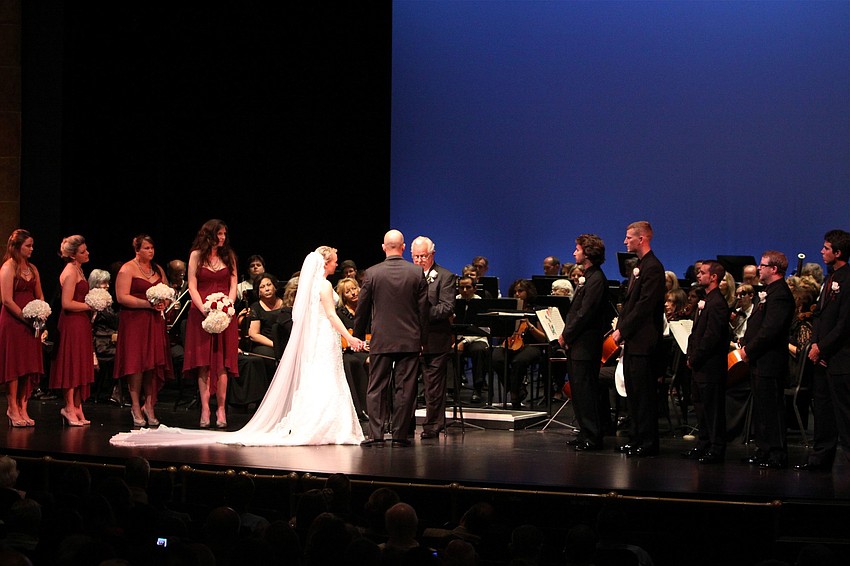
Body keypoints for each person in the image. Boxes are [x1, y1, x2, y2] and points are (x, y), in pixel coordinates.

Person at [110, 246, 366, 447]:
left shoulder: (312, 285)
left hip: (320, 336)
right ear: (326, 262)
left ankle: (319, 423)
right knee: (325, 378)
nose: (336, 263)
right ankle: (327, 425)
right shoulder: (323, 284)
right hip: (323, 335)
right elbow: (331, 316)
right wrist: (350, 337)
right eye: (334, 260)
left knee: (321, 379)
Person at [354, 229, 428, 447]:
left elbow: (363, 309)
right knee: (405, 389)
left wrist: (358, 336)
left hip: (382, 340)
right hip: (409, 339)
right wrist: (423, 340)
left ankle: (376, 435)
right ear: (404, 247)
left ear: (384, 247)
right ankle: (399, 435)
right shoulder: (416, 273)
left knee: (376, 387)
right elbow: (423, 310)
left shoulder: (373, 273)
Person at [610, 221, 666, 457]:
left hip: (644, 341)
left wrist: (623, 330)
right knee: (634, 393)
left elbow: (645, 305)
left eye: (629, 237)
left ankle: (647, 441)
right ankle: (636, 438)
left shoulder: (653, 267)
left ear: (642, 239)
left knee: (643, 394)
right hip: (635, 341)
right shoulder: (641, 266)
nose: (625, 242)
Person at [797, 229, 850, 472]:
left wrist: (823, 348)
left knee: (844, 413)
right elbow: (819, 316)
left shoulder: (848, 279)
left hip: (840, 358)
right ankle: (820, 458)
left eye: (826, 248)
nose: (822, 251)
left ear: (838, 253)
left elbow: (844, 323)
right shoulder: (828, 280)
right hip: (821, 356)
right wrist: (814, 345)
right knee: (823, 411)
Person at [740, 250, 795, 469]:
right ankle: (764, 449)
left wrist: (749, 350)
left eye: (763, 265)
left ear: (774, 269)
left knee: (771, 408)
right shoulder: (770, 292)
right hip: (760, 361)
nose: (759, 269)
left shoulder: (780, 294)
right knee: (763, 407)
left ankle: (776, 453)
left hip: (770, 361)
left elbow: (770, 330)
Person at [113, 234, 174, 428]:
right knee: (136, 364)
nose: (150, 251)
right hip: (134, 322)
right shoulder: (127, 269)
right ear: (137, 250)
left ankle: (150, 405)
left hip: (155, 322)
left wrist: (164, 302)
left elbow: (168, 291)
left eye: (152, 248)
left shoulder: (157, 269)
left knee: (152, 364)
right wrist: (147, 304)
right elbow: (122, 297)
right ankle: (135, 406)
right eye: (146, 248)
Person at [184, 219, 239, 429]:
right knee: (204, 363)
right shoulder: (196, 255)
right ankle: (206, 408)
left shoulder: (229, 256)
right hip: (202, 314)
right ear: (209, 235)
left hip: (225, 314)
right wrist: (204, 309)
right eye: (219, 234)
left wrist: (227, 307)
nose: (223, 238)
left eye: (225, 234)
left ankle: (221, 408)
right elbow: (192, 285)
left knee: (223, 362)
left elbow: (233, 284)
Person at [558, 234, 610, 451]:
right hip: (578, 342)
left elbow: (585, 313)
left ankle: (593, 435)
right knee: (578, 389)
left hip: (586, 343)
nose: (574, 253)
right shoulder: (589, 277)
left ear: (587, 253)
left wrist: (566, 334)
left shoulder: (596, 279)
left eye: (577, 249)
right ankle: (585, 432)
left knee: (585, 389)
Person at [683, 260, 730, 464]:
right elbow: (696, 333)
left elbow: (712, 337)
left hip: (710, 367)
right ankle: (703, 443)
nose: (698, 276)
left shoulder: (718, 303)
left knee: (712, 409)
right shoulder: (707, 301)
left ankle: (716, 447)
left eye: (702, 273)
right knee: (701, 408)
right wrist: (689, 354)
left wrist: (696, 356)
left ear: (714, 277)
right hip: (700, 365)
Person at [411, 235, 455, 440]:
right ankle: (405, 424)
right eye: (416, 256)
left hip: (436, 339)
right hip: (409, 339)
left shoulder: (444, 276)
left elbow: (447, 308)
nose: (419, 261)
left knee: (434, 387)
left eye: (423, 256)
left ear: (432, 255)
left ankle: (432, 426)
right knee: (408, 386)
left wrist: (421, 314)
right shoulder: (408, 275)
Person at [0, 229, 45, 427]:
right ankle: (12, 407)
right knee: (15, 365)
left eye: (32, 245)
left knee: (28, 365)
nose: (31, 249)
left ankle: (23, 406)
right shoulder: (8, 267)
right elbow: (7, 300)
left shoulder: (33, 269)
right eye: (28, 246)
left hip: (31, 324)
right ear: (17, 247)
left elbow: (40, 295)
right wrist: (25, 317)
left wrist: (40, 312)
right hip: (13, 322)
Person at [50, 235, 95, 426]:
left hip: (81, 322)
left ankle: (77, 406)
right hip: (72, 323)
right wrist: (90, 305)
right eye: (83, 251)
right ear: (74, 255)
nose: (87, 253)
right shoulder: (70, 271)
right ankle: (68, 407)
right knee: (71, 363)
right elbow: (66, 303)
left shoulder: (79, 269)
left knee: (80, 363)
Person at [491, 279, 548, 408]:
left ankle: (515, 394)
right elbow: (499, 333)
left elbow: (543, 338)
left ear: (528, 292)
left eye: (520, 291)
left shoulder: (537, 311)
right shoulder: (509, 310)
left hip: (532, 345)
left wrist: (530, 326)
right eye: (515, 291)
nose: (517, 294)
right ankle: (516, 389)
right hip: (510, 343)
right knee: (496, 358)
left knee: (519, 361)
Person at [336, 276, 369, 419]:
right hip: (350, 351)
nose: (353, 293)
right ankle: (363, 407)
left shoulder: (368, 307)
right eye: (348, 291)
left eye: (354, 289)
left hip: (369, 346)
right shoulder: (340, 313)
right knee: (365, 361)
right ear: (343, 296)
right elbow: (343, 339)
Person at [453, 274, 489, 403]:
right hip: (457, 338)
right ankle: (452, 389)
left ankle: (478, 388)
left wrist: (464, 341)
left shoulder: (481, 303)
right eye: (461, 288)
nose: (464, 291)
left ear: (474, 288)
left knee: (479, 350)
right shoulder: (454, 301)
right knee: (450, 351)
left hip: (477, 338)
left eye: (468, 287)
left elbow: (484, 330)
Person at [87, 269, 120, 404]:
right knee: (122, 355)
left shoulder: (108, 302)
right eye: (103, 283)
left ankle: (116, 390)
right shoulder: (92, 303)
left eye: (108, 283)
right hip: (99, 344)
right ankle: (115, 391)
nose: (107, 286)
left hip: (110, 340)